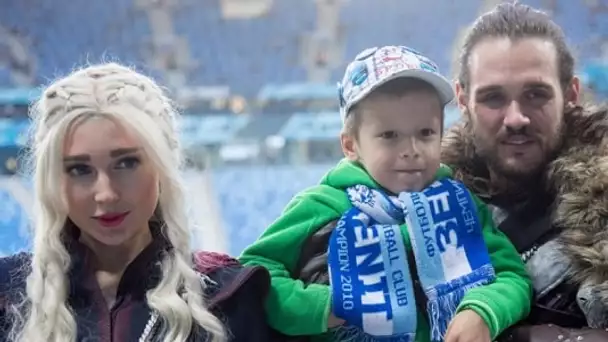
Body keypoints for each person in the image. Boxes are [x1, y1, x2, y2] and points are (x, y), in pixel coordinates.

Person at [240, 46, 532, 342]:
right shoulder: (320, 206)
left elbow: (513, 277)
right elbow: (254, 273)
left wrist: (483, 312)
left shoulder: (459, 202)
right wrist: (324, 307)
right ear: (351, 145)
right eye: (389, 136)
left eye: (425, 133)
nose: (411, 150)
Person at [0, 63, 272, 342]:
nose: (105, 194)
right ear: (54, 180)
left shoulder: (228, 295)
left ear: (161, 167)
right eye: (79, 169)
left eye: (126, 163)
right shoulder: (7, 295)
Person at [439, 3, 608, 341]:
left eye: (535, 94)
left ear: (570, 93)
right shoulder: (418, 204)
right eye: (493, 98)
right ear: (462, 100)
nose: (516, 118)